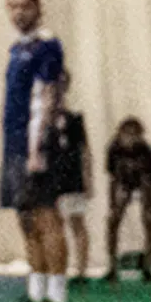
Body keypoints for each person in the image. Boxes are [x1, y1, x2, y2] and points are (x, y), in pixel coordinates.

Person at [0, 0, 72, 302]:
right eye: (12, 6)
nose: (18, 12)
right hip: (13, 142)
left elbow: (46, 98)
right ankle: (36, 290)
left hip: (35, 144)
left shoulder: (47, 46)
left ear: (37, 7)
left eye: (24, 6)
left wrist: (37, 148)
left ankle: (57, 294)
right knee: (25, 217)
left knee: (46, 215)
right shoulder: (17, 49)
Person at [103, 115, 151, 277]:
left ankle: (148, 265)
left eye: (134, 135)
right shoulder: (113, 149)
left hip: (144, 182)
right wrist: (113, 204)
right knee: (113, 220)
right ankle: (112, 265)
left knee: (149, 220)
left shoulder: (146, 150)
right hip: (123, 182)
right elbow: (113, 178)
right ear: (120, 134)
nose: (130, 139)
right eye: (127, 135)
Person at [53, 101, 95, 282]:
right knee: (53, 225)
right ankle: (57, 268)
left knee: (77, 222)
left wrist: (88, 179)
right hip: (50, 180)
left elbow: (84, 150)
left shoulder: (75, 119)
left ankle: (81, 270)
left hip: (72, 177)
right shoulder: (41, 120)